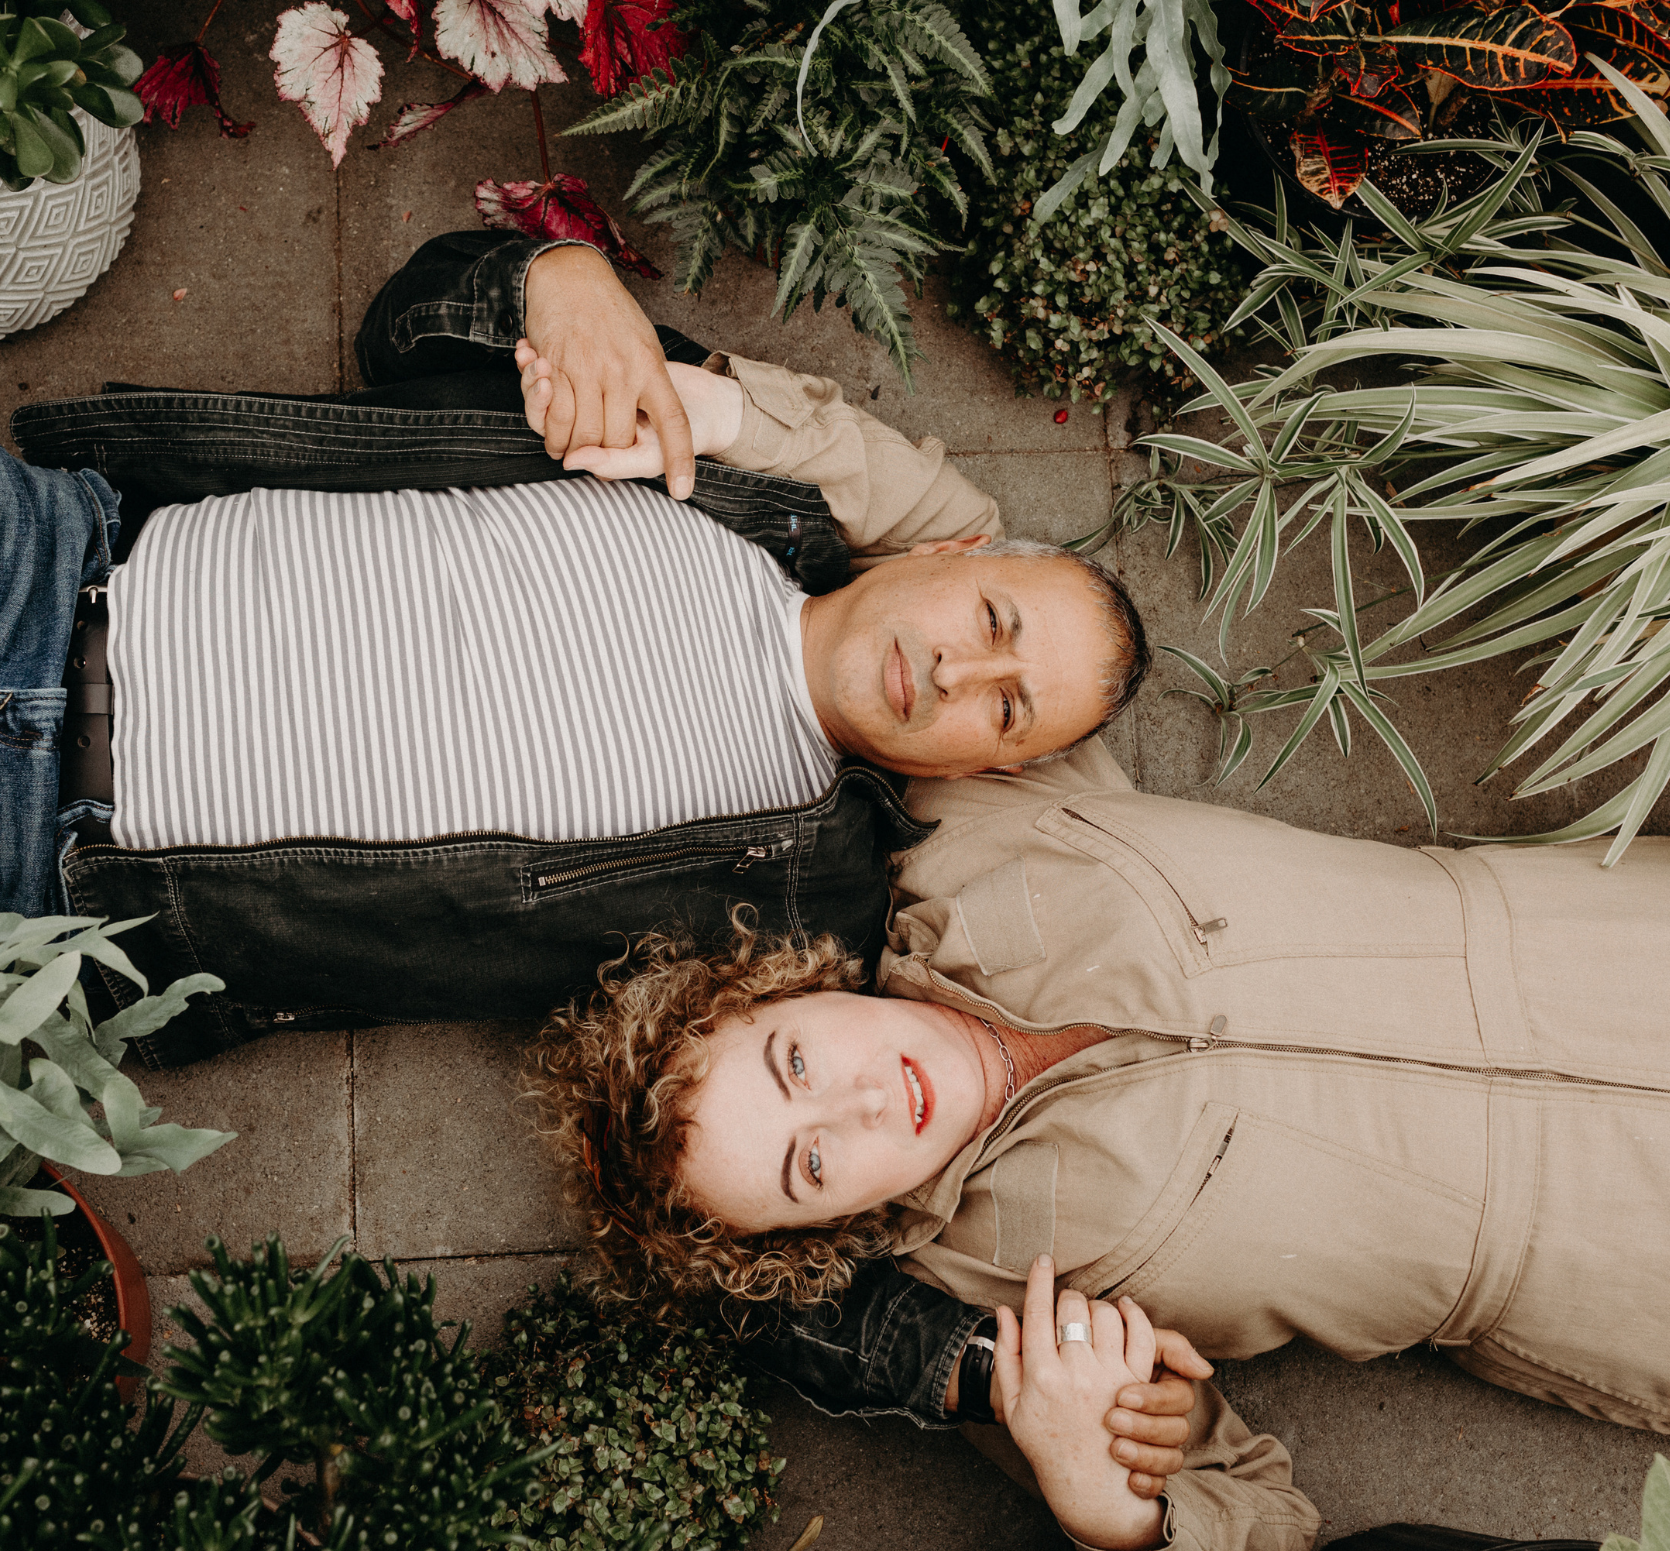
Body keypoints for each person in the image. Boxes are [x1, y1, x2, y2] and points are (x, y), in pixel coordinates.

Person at [529, 732, 1670, 1551]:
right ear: (827, 1230)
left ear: (787, 985)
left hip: (1612, 935)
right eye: (810, 1166)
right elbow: (1264, 1530)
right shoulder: (1009, 1317)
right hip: (1610, 1257)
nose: (863, 1102)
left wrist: (721, 414)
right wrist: (1110, 1495)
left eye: (793, 1062)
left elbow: (937, 542)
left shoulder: (969, 828)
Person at [3, 234, 1145, 1067]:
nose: (957, 673)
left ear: (977, 771)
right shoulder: (704, 465)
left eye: (1005, 711)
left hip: (61, 868)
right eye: (991, 622)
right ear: (946, 544)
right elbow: (405, 319)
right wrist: (557, 274)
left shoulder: (799, 911)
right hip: (63, 558)